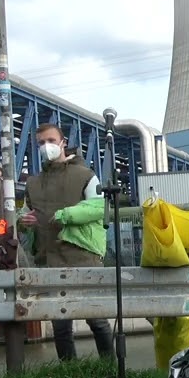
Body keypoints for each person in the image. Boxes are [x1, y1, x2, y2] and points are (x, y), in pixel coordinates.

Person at [19, 123, 114, 361]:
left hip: (83, 256)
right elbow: (24, 214)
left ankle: (109, 367)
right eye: (40, 143)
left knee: (96, 317)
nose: (45, 146)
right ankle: (69, 371)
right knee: (60, 325)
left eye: (50, 140)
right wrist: (24, 222)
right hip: (48, 258)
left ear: (62, 142)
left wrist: (65, 216)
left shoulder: (86, 175)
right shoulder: (32, 183)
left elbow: (100, 208)